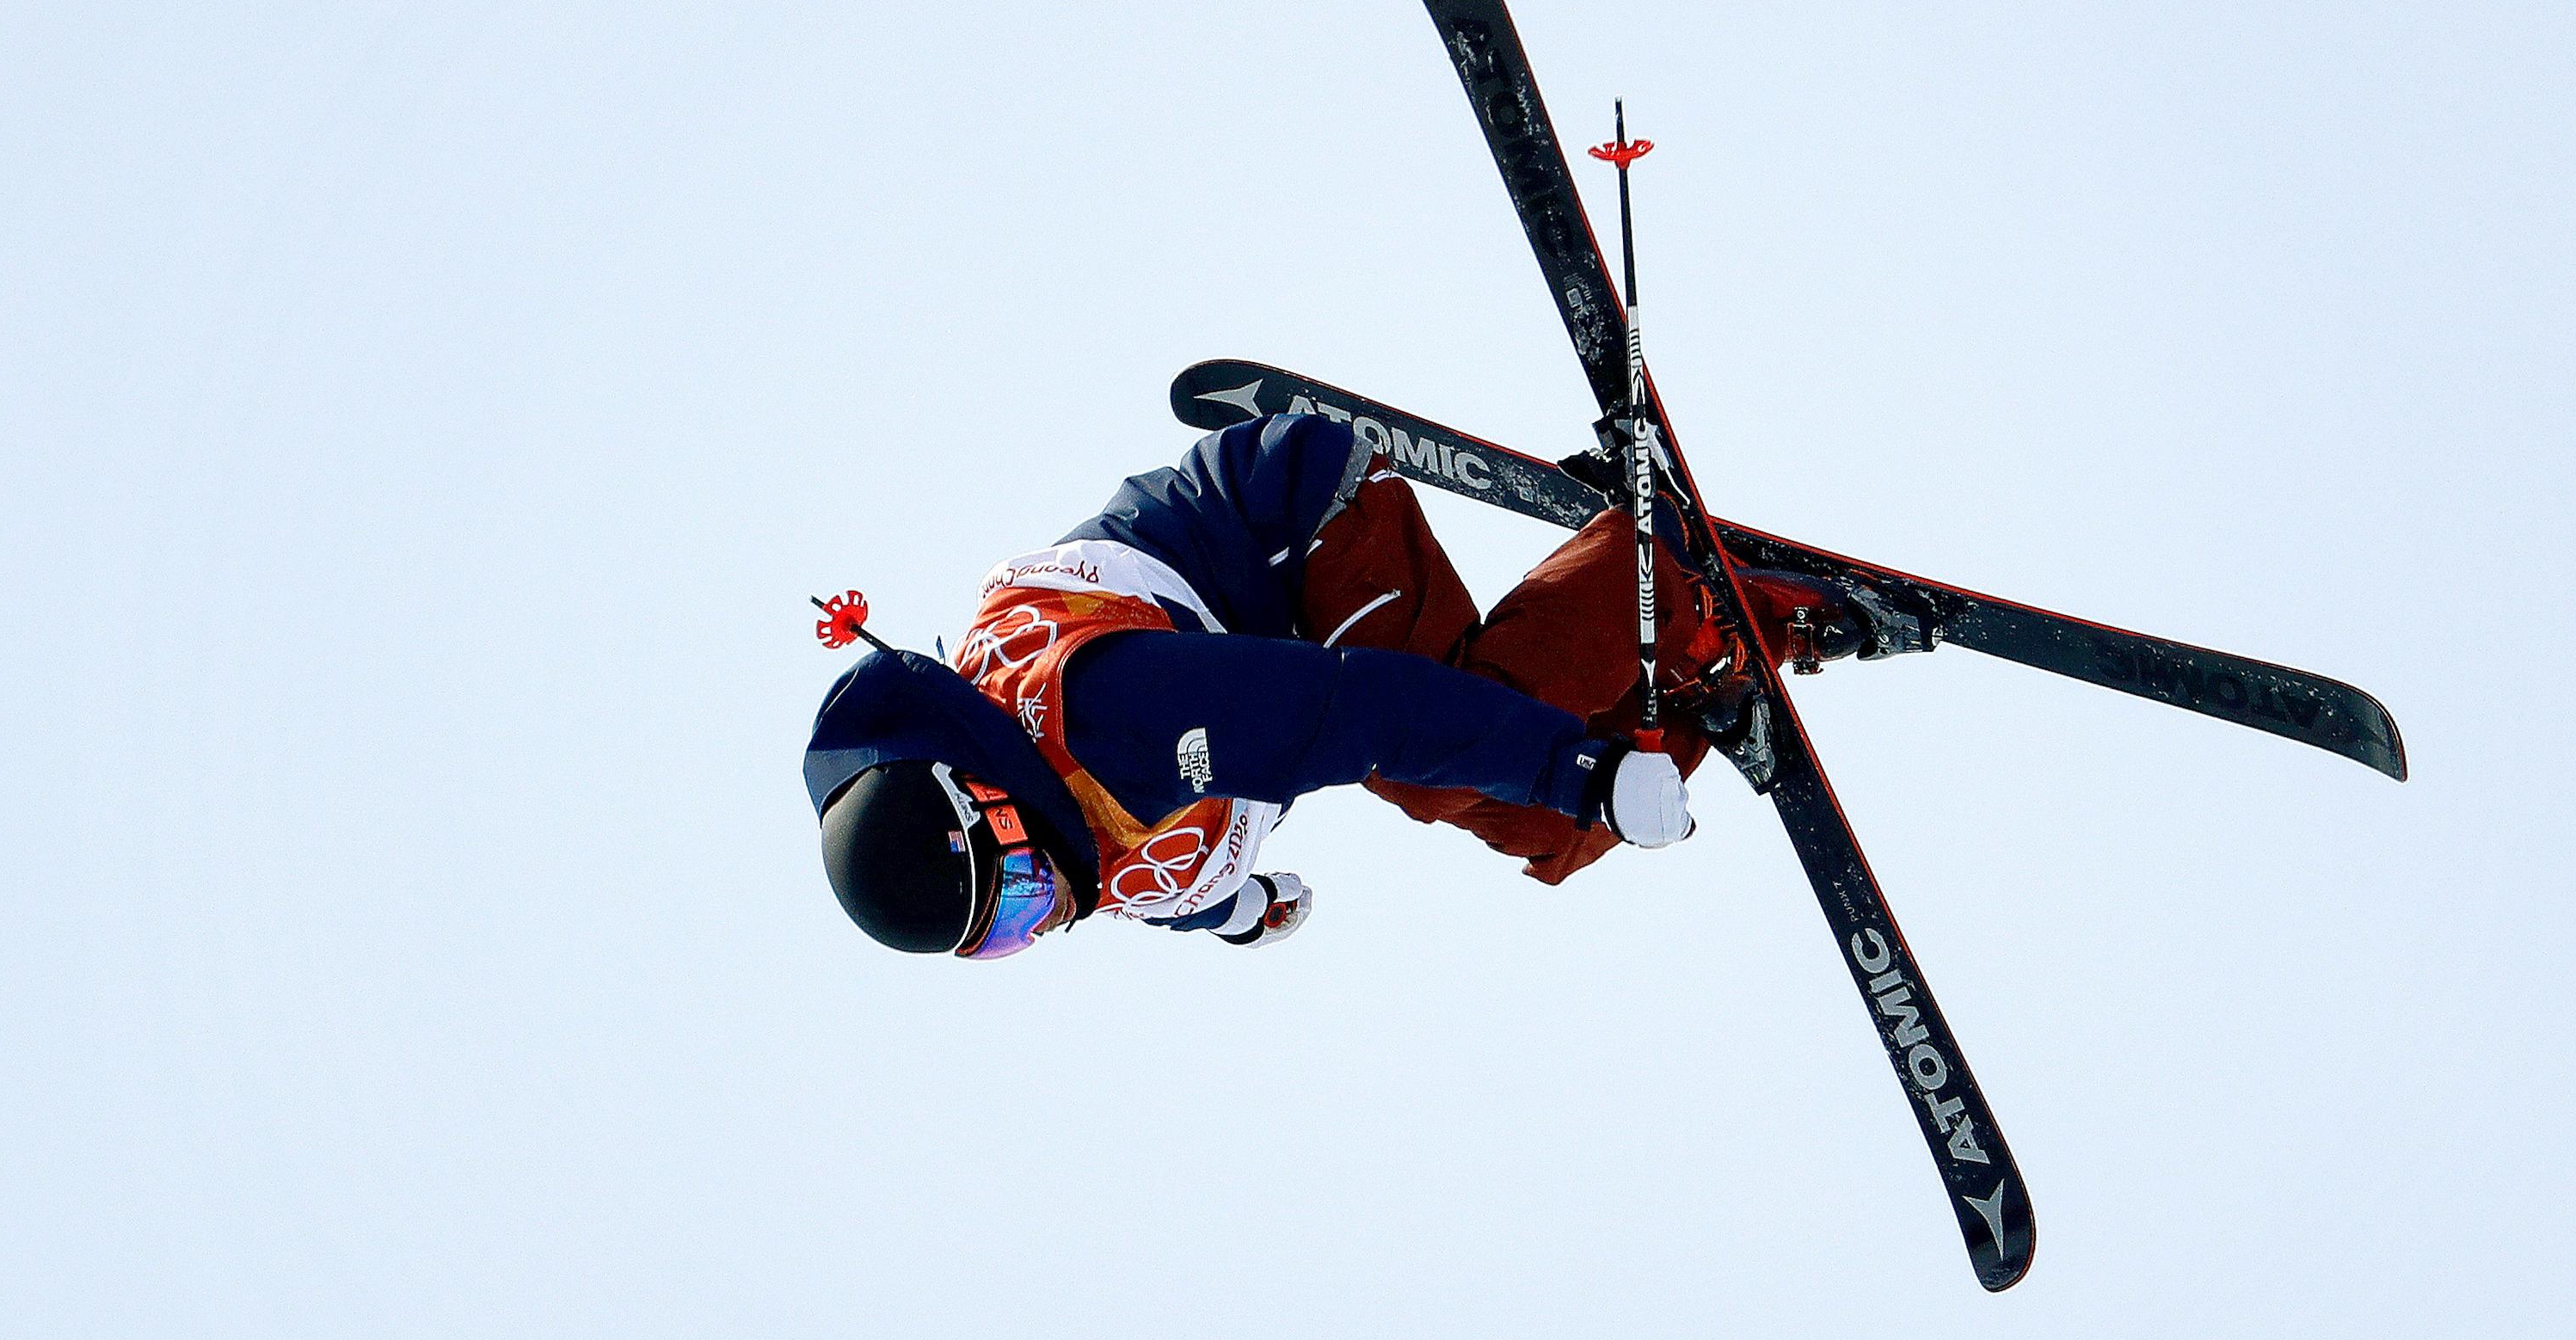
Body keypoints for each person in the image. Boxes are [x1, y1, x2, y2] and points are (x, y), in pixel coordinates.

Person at [802, 415, 1909, 958]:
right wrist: (1244, 914)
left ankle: (1672, 576)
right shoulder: (1089, 861)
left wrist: (1582, 769)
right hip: (1280, 641)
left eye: (1021, 896)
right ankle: (1694, 684)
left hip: (1291, 527)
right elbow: (1174, 891)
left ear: (990, 803)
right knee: (1536, 829)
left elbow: (1355, 711)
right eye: (1010, 938)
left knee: (1449, 755)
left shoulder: (1108, 719)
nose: (1045, 919)